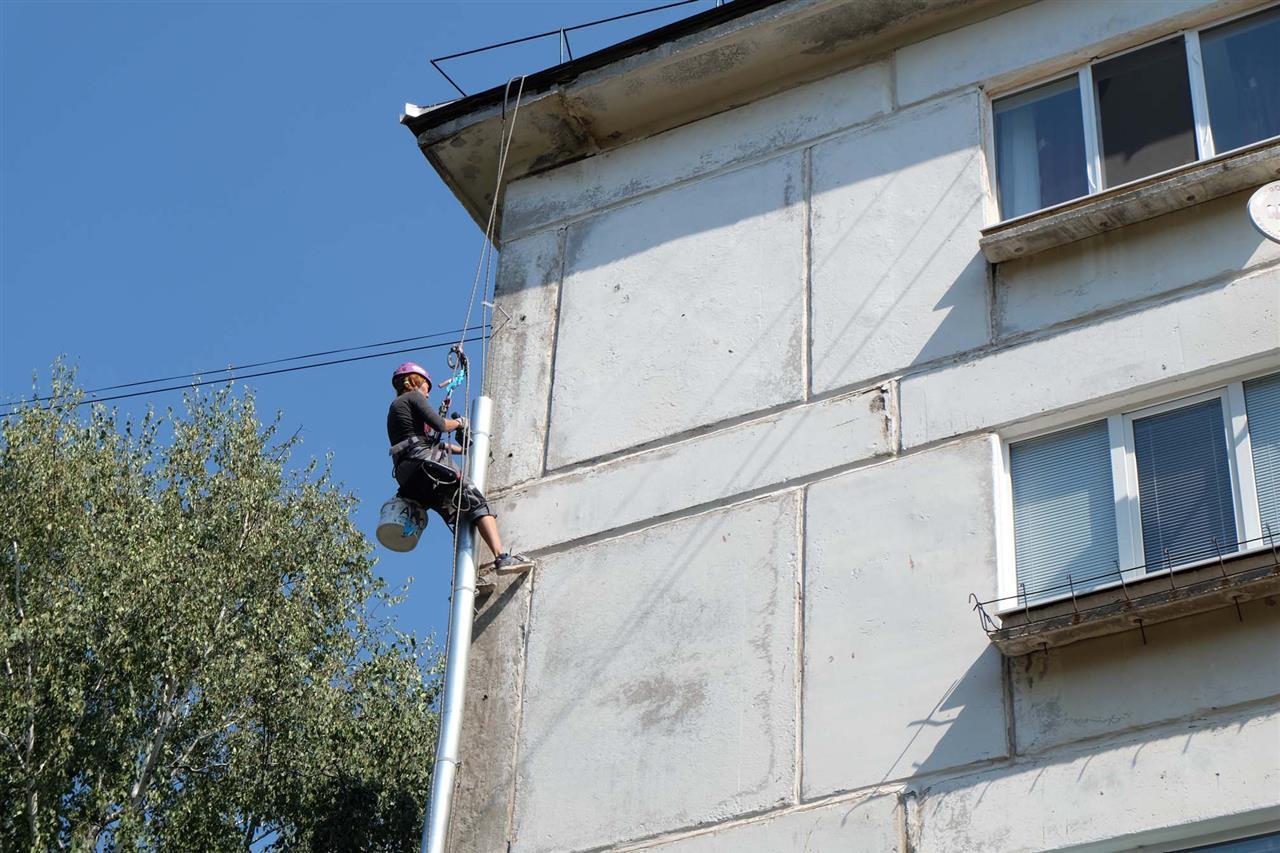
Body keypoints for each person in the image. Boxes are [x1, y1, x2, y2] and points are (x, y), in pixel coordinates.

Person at [386, 361, 533, 595]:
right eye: (426, 386)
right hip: (424, 466)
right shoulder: (413, 398)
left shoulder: (397, 409)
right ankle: (502, 558)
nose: (427, 391)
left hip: (411, 478)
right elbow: (441, 425)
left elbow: (433, 443)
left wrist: (463, 448)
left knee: (460, 519)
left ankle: (468, 580)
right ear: (415, 381)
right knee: (475, 500)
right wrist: (461, 423)